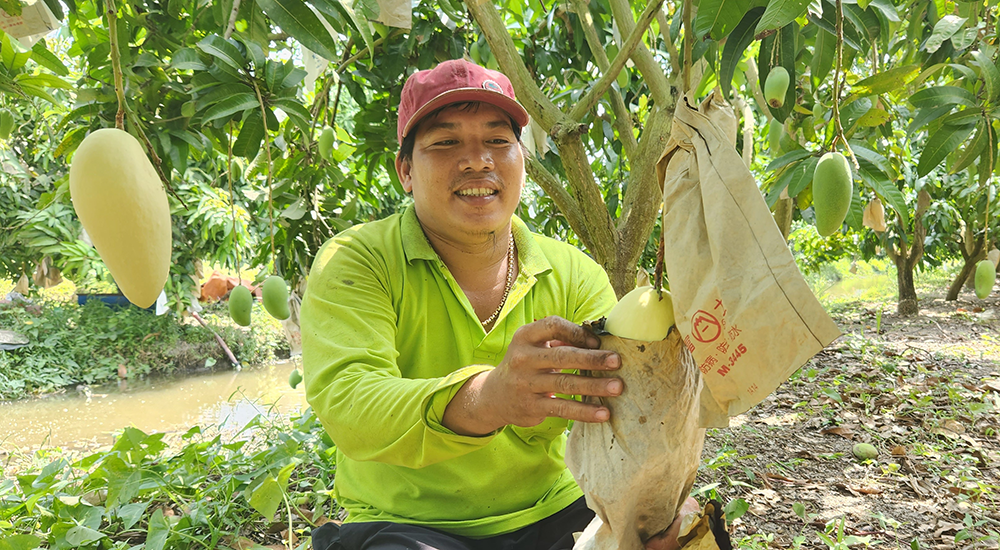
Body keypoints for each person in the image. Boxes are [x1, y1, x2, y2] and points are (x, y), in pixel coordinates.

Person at [301, 58, 698, 550]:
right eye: (446, 142)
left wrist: (660, 500)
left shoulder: (574, 274)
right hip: (405, 525)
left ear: (521, 162)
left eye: (497, 140)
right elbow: (349, 401)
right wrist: (487, 398)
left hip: (557, 512)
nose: (477, 160)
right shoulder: (356, 261)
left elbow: (630, 406)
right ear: (405, 170)